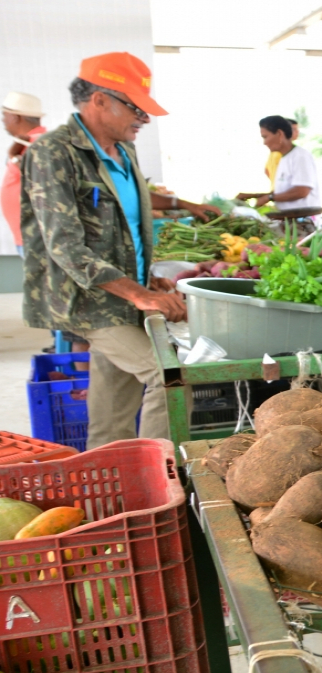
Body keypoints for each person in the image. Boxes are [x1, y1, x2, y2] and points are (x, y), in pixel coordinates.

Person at [21, 53, 195, 448]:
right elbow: (65, 246)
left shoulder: (124, 151)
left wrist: (147, 279)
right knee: (170, 378)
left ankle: (111, 473)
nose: (144, 119)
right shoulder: (54, 153)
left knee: (113, 409)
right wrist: (139, 294)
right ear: (100, 100)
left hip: (123, 297)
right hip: (88, 301)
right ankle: (156, 475)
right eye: (135, 108)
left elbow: (125, 228)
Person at [238, 116, 321, 213]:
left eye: (265, 137)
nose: (264, 143)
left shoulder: (300, 156)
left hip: (302, 219)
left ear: (279, 134)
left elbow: (302, 191)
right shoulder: (284, 158)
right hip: (287, 217)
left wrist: (269, 198)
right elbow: (283, 192)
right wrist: (253, 196)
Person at [3, 92, 47, 257]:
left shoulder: (39, 143)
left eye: (5, 115)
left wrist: (14, 157)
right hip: (29, 238)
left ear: (15, 117)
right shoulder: (29, 142)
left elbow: (39, 178)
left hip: (36, 240)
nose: (3, 120)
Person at [264, 118, 298, 189]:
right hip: (286, 192)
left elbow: (267, 171)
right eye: (294, 129)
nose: (297, 132)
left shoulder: (275, 151)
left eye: (297, 129)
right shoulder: (284, 152)